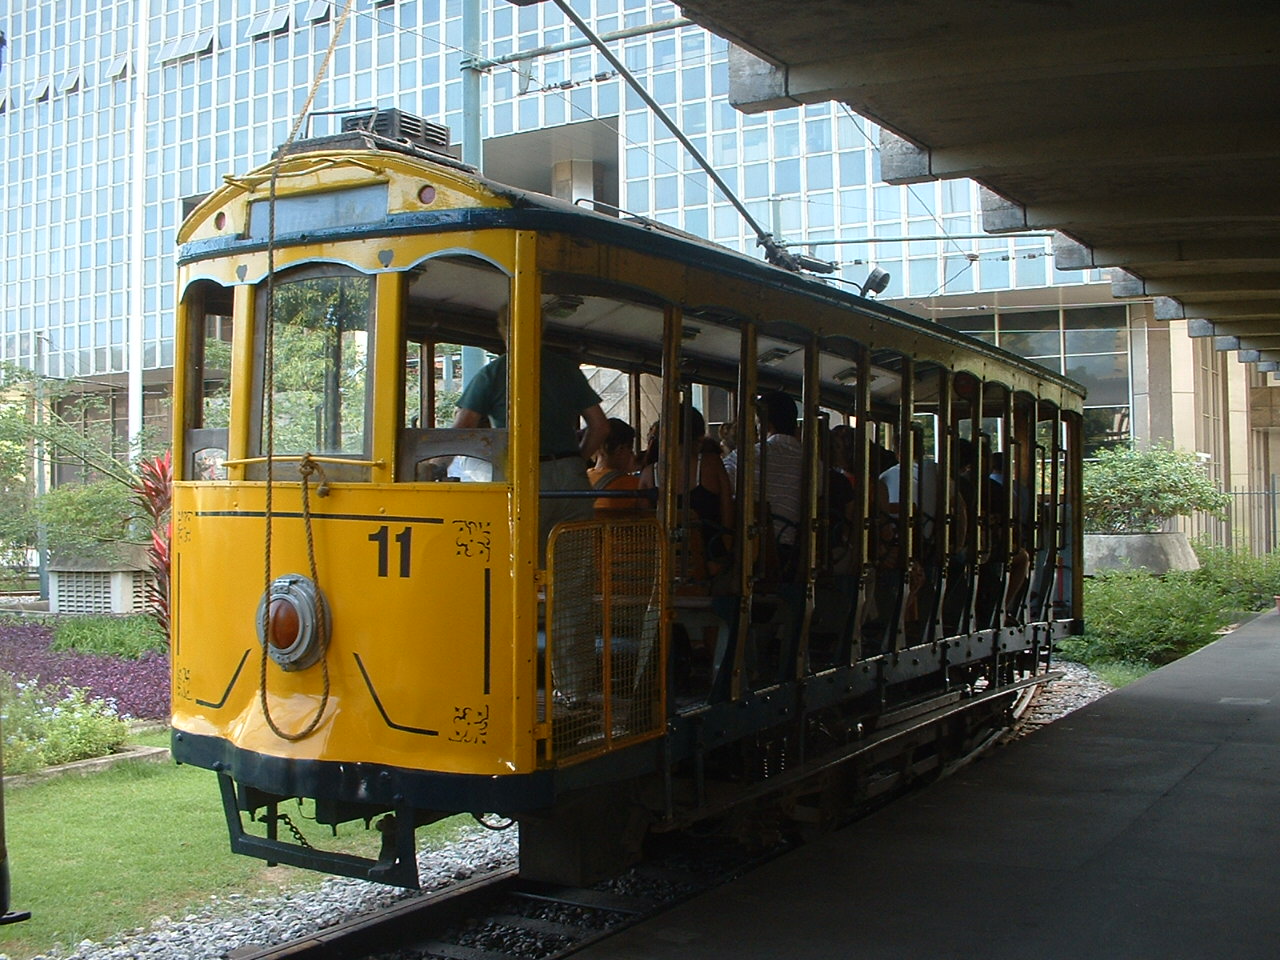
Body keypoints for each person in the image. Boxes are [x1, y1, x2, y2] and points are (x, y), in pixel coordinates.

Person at [453, 306, 608, 561]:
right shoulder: (567, 370)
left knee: (524, 564)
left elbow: (463, 428)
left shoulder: (494, 374)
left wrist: (435, 466)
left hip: (526, 477)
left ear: (503, 331)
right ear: (542, 329)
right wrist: (577, 461)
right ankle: (573, 603)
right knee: (574, 566)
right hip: (572, 479)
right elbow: (601, 426)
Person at [639, 404, 735, 579]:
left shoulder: (648, 474)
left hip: (664, 562)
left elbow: (645, 526)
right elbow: (727, 517)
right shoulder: (711, 464)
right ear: (699, 435)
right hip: (710, 559)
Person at [725, 390, 803, 578]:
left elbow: (721, 486)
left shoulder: (745, 458)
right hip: (794, 555)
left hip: (749, 553)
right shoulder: (813, 463)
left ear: (765, 425)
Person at [588, 418, 646, 513]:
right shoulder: (634, 485)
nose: (633, 455)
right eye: (630, 450)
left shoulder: (582, 478)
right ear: (620, 450)